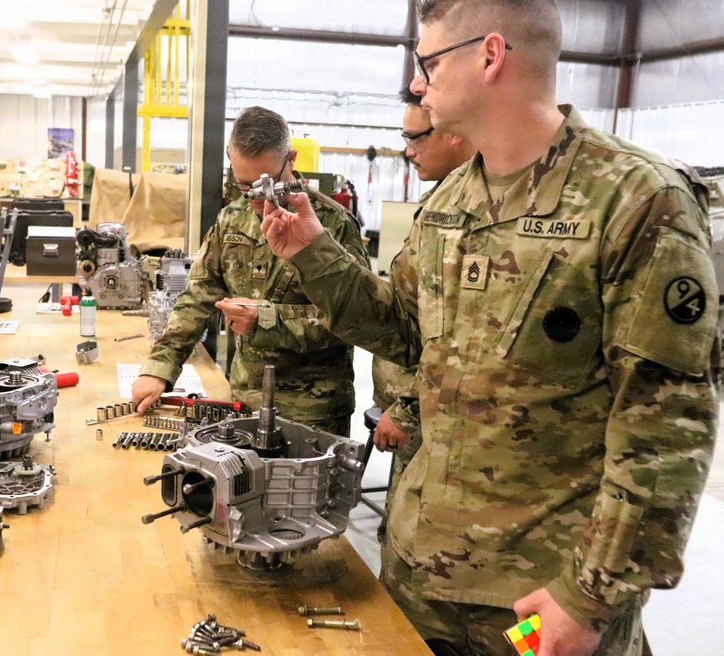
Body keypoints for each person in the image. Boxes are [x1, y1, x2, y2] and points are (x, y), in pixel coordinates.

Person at [260, 1, 719, 655]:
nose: (418, 83)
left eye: (429, 62)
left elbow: (667, 432)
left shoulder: (637, 201)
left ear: (491, 54)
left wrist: (589, 601)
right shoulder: (451, 204)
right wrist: (314, 252)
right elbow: (402, 335)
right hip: (420, 571)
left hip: (536, 601)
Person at [131, 106, 369, 437]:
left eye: (267, 184)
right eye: (246, 187)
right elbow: (199, 294)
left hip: (313, 414)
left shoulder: (333, 225)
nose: (258, 198)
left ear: (292, 158)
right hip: (244, 402)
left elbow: (359, 320)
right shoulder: (232, 219)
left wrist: (267, 320)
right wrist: (159, 368)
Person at [372, 87, 476, 470]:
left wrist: (408, 409)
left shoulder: (479, 211)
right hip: (411, 408)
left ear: (454, 131)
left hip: (440, 420)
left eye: (415, 137)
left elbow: (464, 334)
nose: (408, 150)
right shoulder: (438, 204)